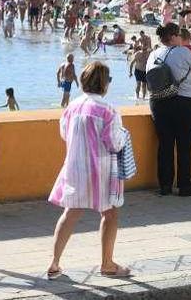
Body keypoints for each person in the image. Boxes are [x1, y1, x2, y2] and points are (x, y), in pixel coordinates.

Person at [47, 61, 130, 280]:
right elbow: (114, 143)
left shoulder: (71, 107)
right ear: (104, 83)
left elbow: (65, 134)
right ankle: (107, 264)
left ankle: (54, 263)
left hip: (75, 168)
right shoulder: (108, 110)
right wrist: (124, 134)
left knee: (70, 213)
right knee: (110, 213)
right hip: (100, 170)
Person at [146, 23, 191, 197]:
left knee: (165, 145)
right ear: (175, 36)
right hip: (184, 103)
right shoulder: (184, 52)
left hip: (159, 103)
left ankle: (165, 186)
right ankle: (185, 186)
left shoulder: (153, 54)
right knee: (184, 146)